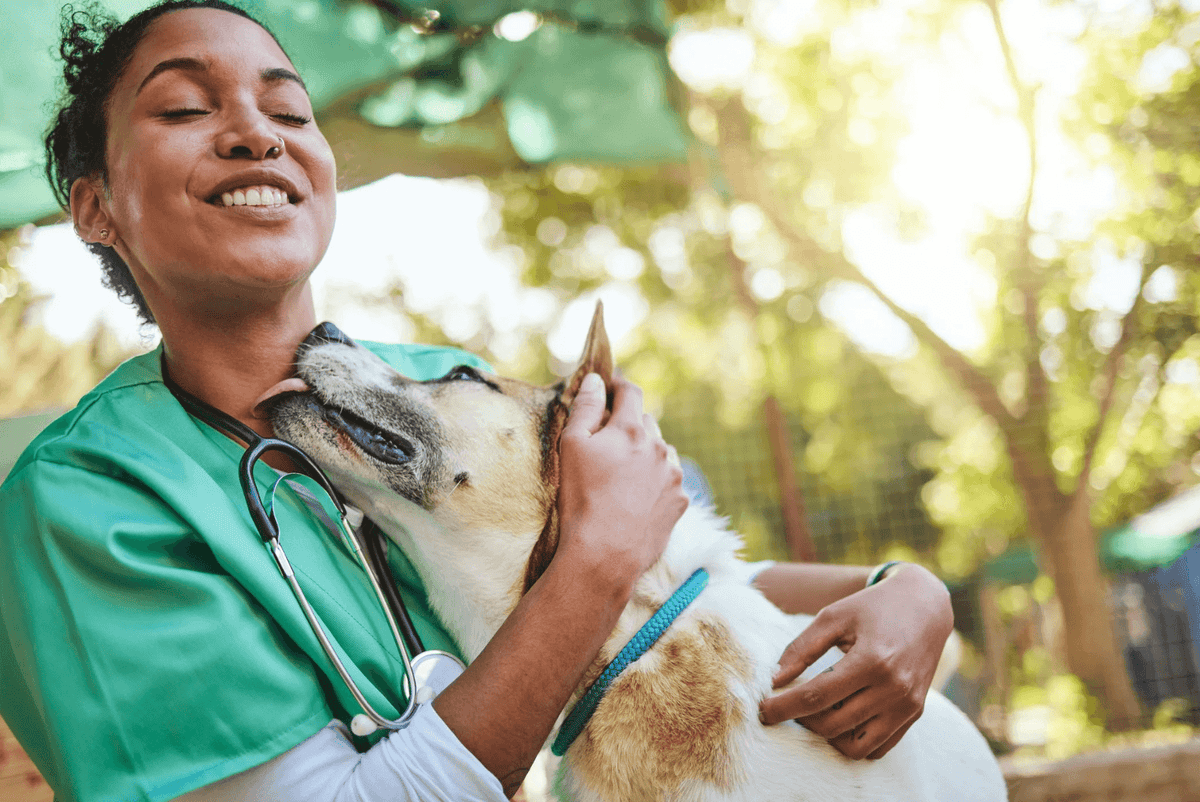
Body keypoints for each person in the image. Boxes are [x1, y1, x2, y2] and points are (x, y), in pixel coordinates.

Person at [0, 2, 955, 800]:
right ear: (95, 207)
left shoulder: (436, 383)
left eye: (290, 113)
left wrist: (899, 591)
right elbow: (598, 570)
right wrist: (596, 558)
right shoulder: (86, 501)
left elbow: (658, 600)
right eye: (181, 108)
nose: (257, 133)